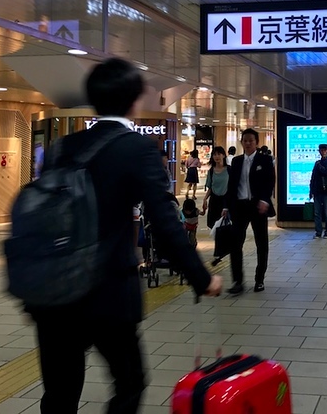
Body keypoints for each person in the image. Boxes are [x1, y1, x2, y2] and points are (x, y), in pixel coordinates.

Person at [27, 58, 221, 414]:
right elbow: (165, 222)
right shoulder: (137, 148)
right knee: (129, 383)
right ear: (133, 101)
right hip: (106, 290)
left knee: (59, 394)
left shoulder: (62, 148)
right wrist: (202, 277)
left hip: (53, 290)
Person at [223, 128, 276, 295]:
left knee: (261, 243)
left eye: (251, 140)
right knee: (235, 244)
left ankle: (259, 279)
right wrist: (226, 206)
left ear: (256, 142)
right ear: (241, 142)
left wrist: (265, 200)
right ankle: (237, 281)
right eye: (245, 140)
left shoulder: (264, 160)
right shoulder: (237, 161)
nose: (247, 143)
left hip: (258, 206)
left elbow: (270, 181)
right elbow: (232, 185)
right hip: (239, 206)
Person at [309, 144, 327, 238]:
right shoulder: (317, 163)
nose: (323, 152)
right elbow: (313, 177)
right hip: (317, 190)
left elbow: (326, 171)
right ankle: (318, 232)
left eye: (324, 150)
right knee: (317, 213)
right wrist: (311, 190)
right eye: (321, 150)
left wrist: (319, 165)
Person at [202, 146, 230, 230]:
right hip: (214, 200)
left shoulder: (229, 169)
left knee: (226, 225)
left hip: (226, 200)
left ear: (223, 155)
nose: (216, 156)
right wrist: (205, 199)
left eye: (219, 154)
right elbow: (210, 187)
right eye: (214, 154)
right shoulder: (211, 171)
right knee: (214, 225)